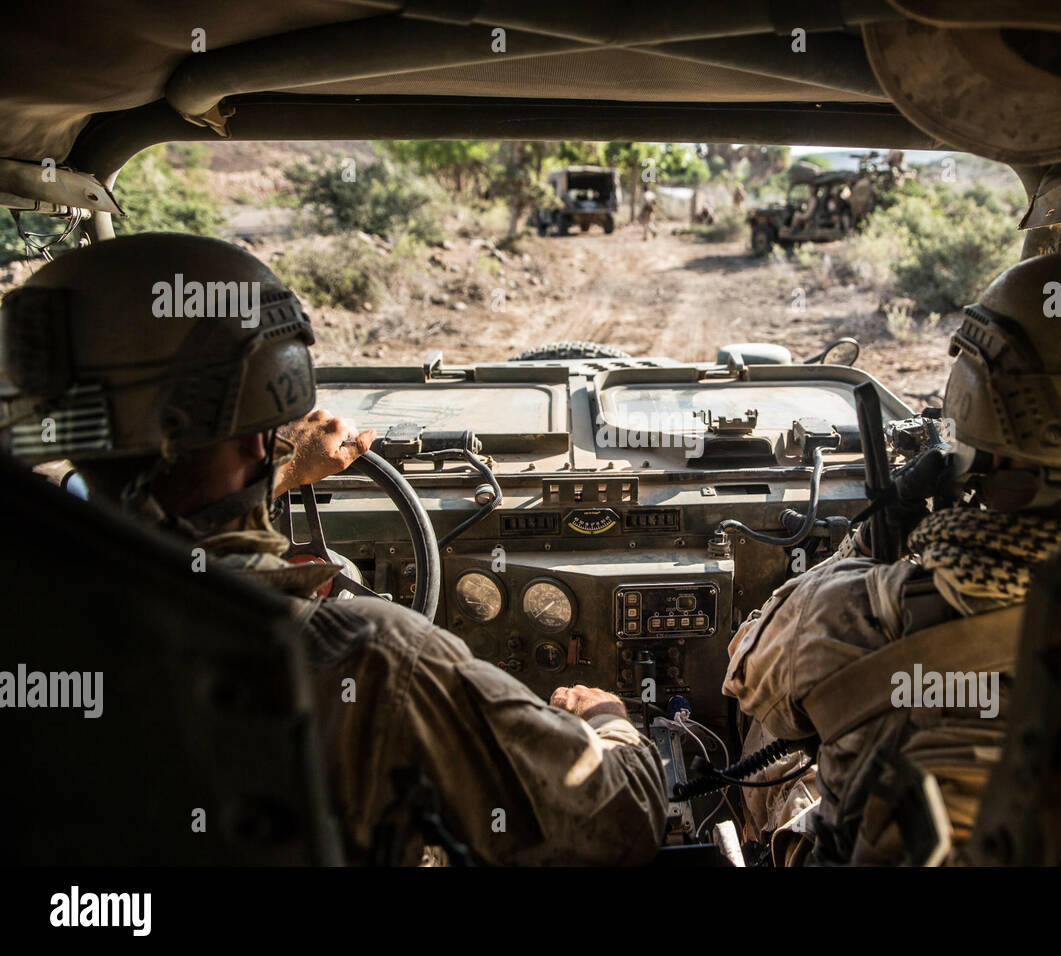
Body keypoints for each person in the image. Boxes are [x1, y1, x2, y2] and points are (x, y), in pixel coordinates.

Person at [1, 233, 668, 865]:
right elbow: (622, 822)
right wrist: (610, 721)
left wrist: (285, 473)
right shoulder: (376, 658)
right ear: (259, 431)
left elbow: (171, 512)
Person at [722, 250, 1061, 865]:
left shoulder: (866, 612)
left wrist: (864, 547)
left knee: (783, 752)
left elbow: (747, 670)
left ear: (987, 413)